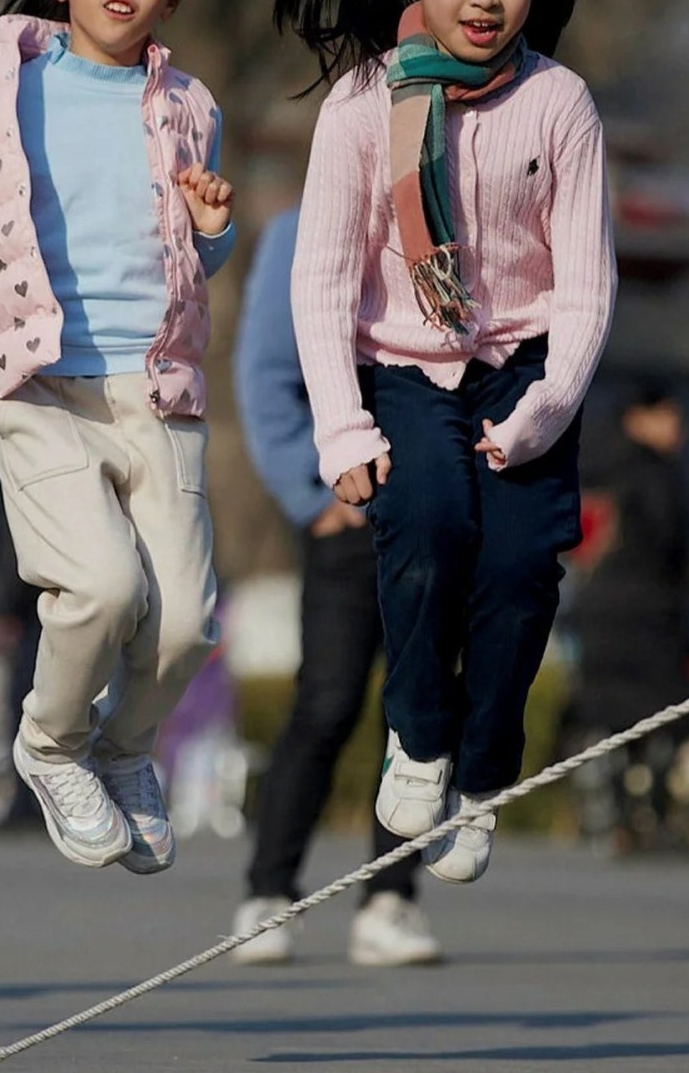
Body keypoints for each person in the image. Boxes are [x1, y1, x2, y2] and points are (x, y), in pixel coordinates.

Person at [283, 0, 616, 886]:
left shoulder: (561, 103)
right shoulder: (358, 105)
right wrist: (340, 429)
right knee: (426, 530)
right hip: (403, 370)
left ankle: (485, 775)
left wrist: (550, 406)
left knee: (518, 573)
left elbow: (588, 279)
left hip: (525, 368)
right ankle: (420, 739)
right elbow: (323, 275)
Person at [0, 0, 236, 873]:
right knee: (97, 584)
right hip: (38, 381)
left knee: (187, 619)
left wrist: (216, 231)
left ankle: (126, 753)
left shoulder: (190, 107)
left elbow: (192, 265)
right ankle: (49, 747)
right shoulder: (1, 85)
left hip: (157, 388)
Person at [227, 206, 442, 967]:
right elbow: (264, 373)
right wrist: (308, 493)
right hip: (347, 510)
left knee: (417, 710)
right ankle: (266, 893)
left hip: (438, 507)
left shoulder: (455, 212)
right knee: (325, 700)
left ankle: (389, 900)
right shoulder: (301, 228)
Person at [562, 381, 689, 853]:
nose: (680, 431)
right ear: (642, 416)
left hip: (596, 610)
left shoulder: (589, 461)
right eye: (672, 419)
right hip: (645, 615)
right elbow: (668, 545)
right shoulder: (651, 472)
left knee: (604, 718)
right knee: (662, 718)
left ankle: (607, 819)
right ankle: (651, 818)